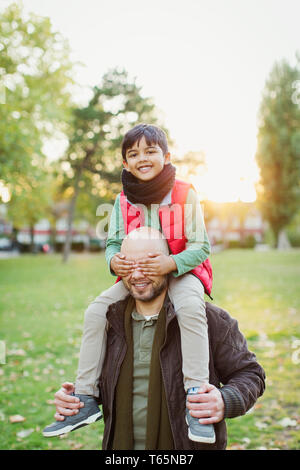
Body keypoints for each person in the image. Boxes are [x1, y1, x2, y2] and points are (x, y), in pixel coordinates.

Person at [43, 123, 215, 443]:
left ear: (166, 155)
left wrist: (171, 263)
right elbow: (112, 244)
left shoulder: (185, 193)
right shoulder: (122, 200)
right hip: (135, 273)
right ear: (125, 163)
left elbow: (201, 246)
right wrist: (114, 261)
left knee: (191, 307)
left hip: (178, 272)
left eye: (150, 151)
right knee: (96, 311)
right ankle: (86, 398)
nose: (142, 158)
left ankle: (195, 395)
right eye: (133, 154)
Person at [47, 228, 265, 450]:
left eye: (147, 264)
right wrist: (75, 399)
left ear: (168, 264)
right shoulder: (110, 322)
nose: (137, 275)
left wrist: (225, 400)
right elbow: (109, 385)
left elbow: (250, 374)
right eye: (129, 265)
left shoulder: (209, 320)